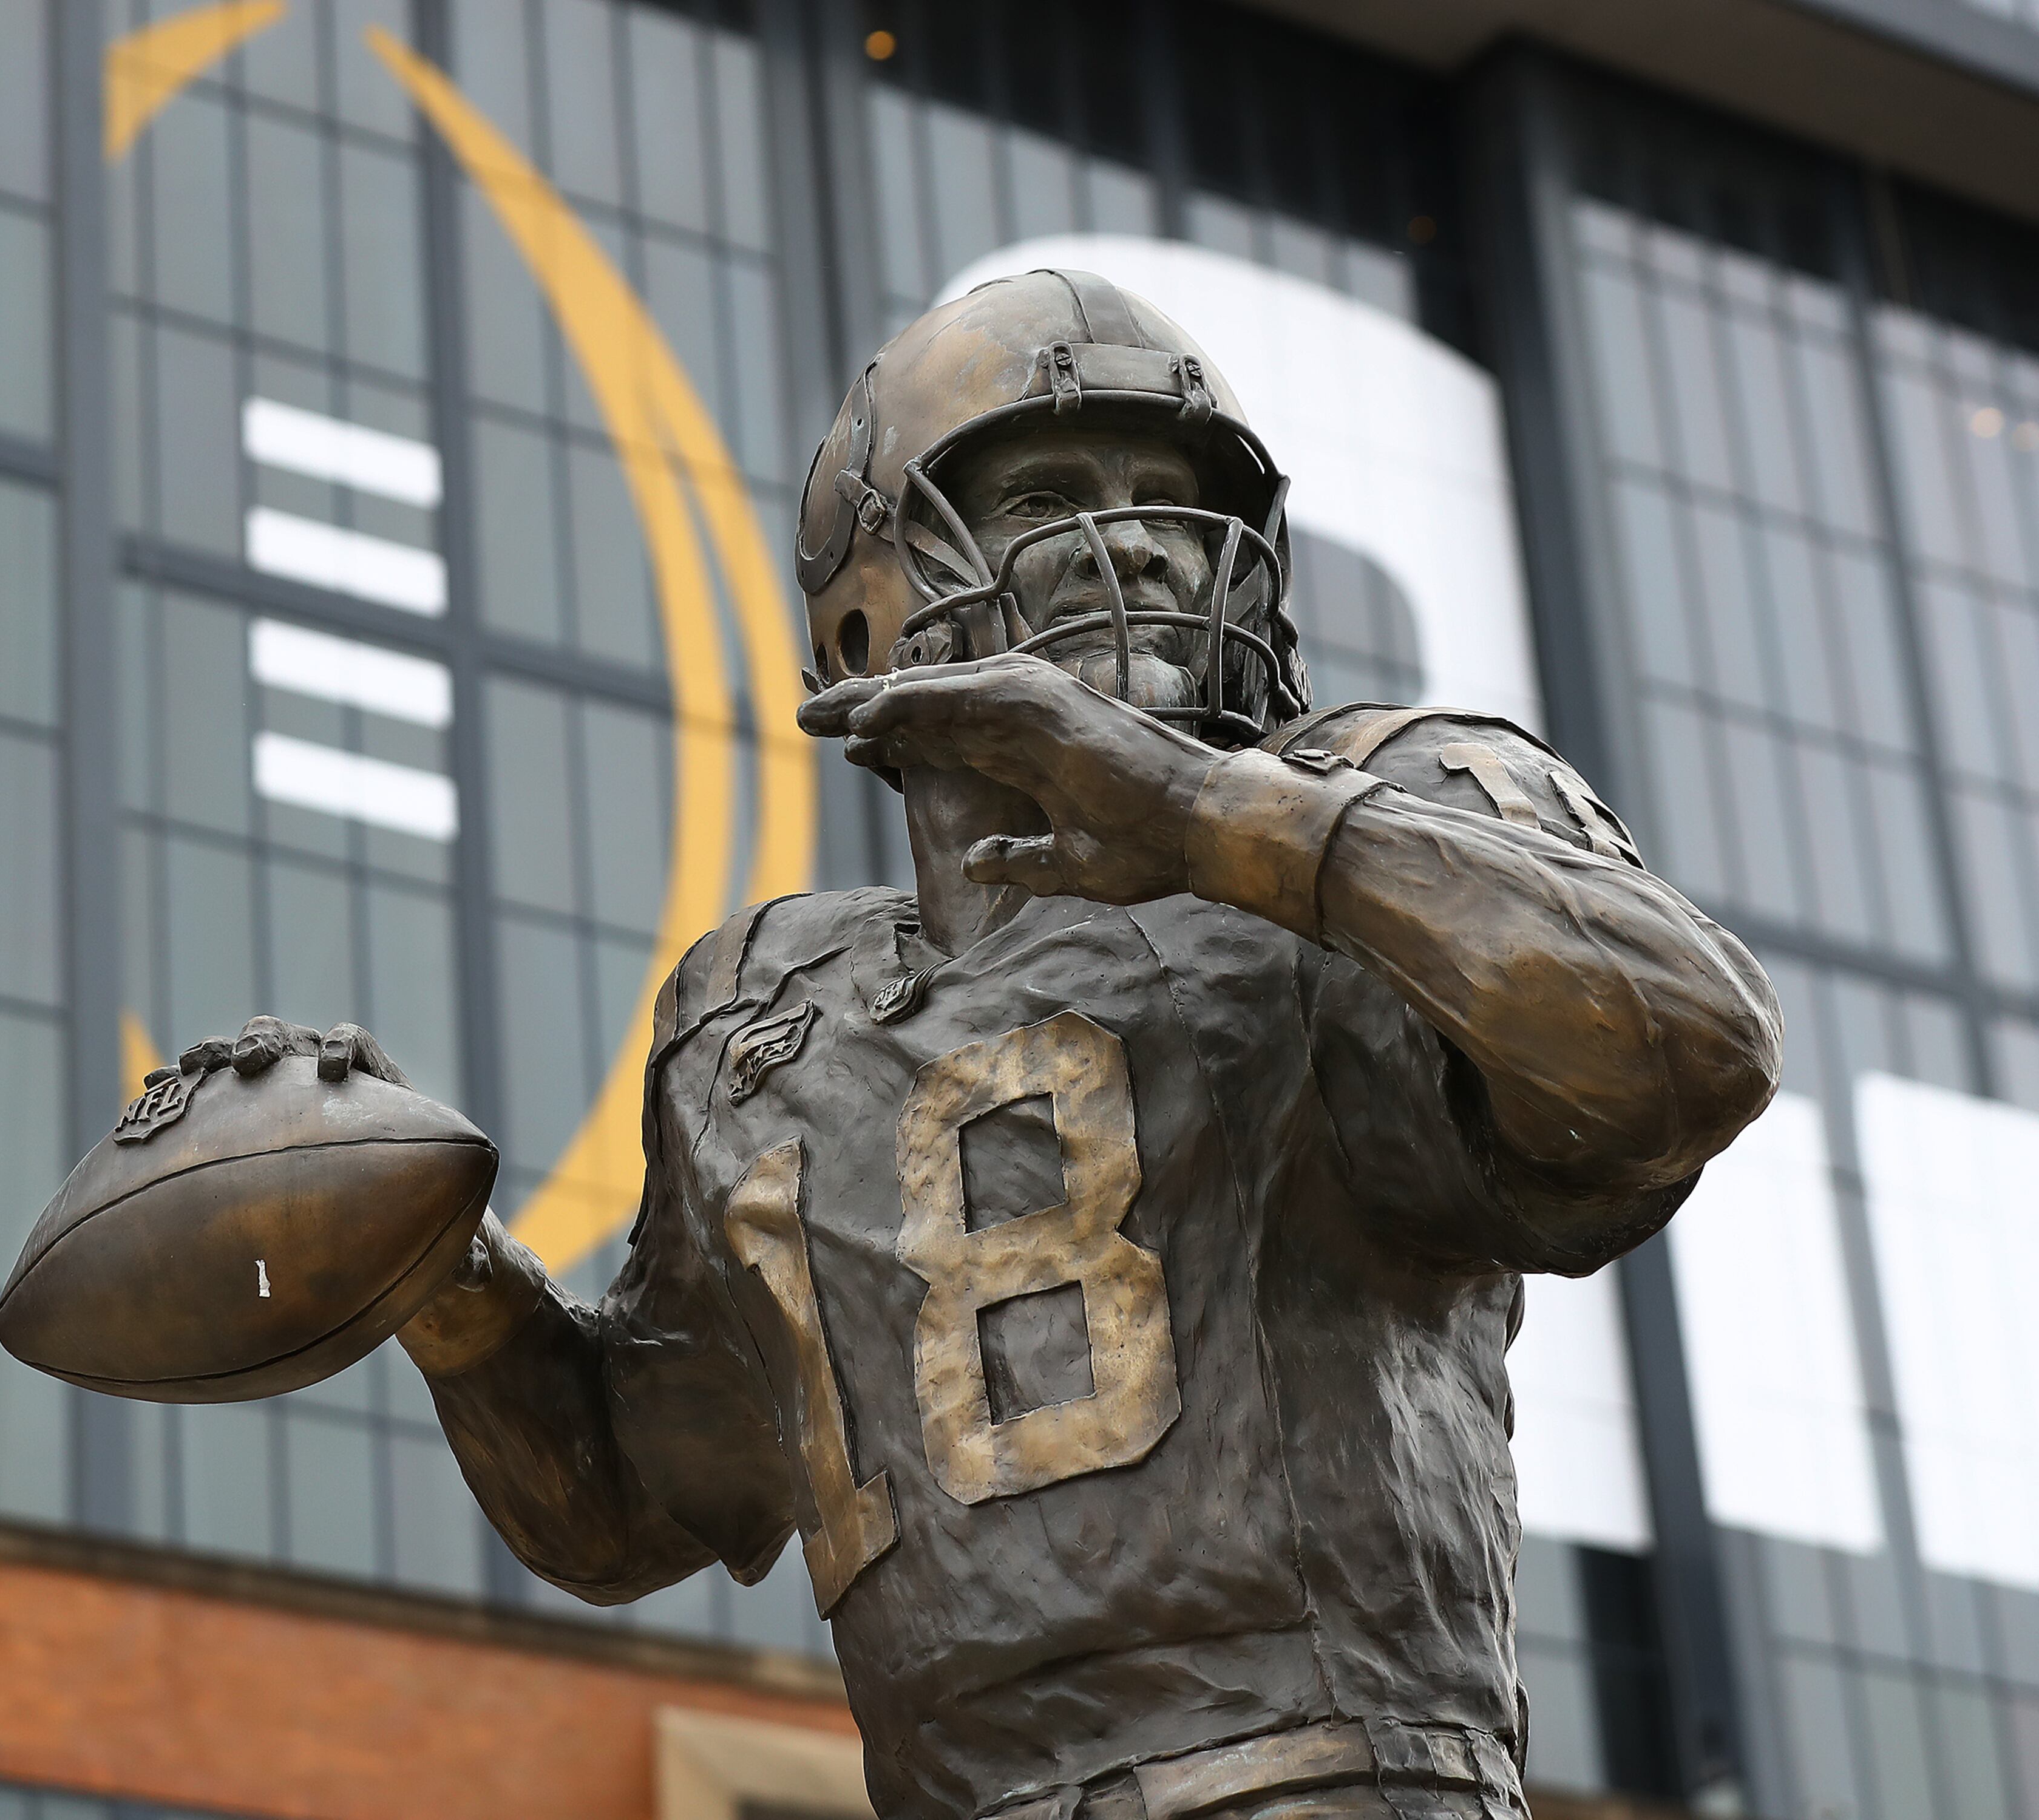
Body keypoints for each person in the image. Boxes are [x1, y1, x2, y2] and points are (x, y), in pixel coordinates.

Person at [205, 271, 1780, 1820]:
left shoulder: (1391, 812)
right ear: (867, 606)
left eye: (1177, 490)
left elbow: (1687, 1044)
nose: (1145, 530)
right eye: (1046, 486)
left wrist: (1224, 823)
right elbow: (631, 1493)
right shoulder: (764, 1011)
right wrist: (445, 1275)